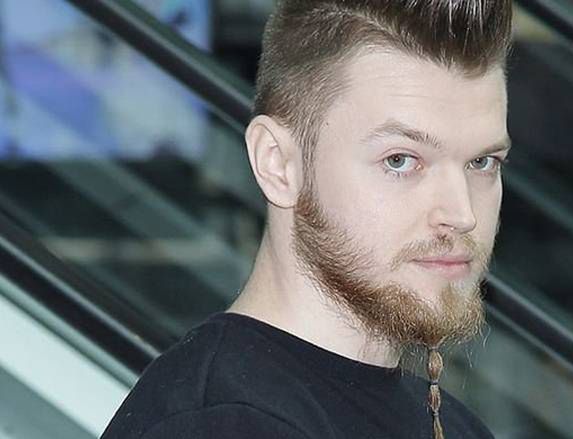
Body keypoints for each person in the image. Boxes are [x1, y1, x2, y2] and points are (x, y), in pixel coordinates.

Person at [102, 0, 512, 437]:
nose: (462, 214)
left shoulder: (455, 424)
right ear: (278, 164)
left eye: (482, 163)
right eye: (400, 160)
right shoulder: (225, 424)